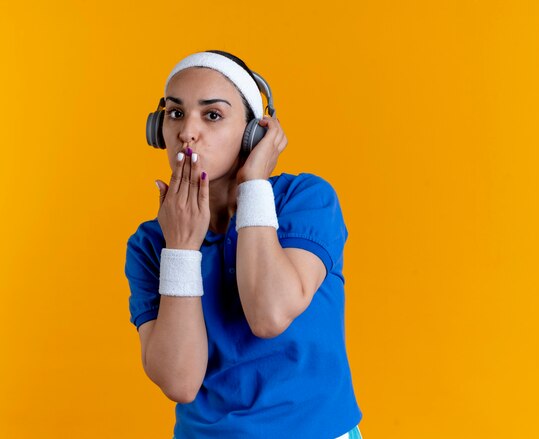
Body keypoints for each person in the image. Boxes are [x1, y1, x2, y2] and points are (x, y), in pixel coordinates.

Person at [125, 50, 363, 439]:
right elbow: (181, 382)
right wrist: (182, 248)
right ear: (158, 129)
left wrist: (253, 186)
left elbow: (269, 315)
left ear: (253, 133)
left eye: (212, 115)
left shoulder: (304, 199)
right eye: (175, 113)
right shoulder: (150, 244)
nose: (188, 131)